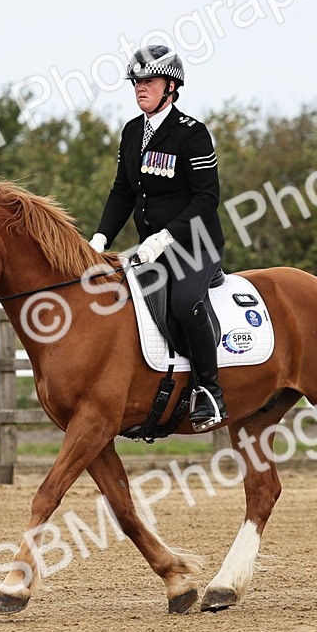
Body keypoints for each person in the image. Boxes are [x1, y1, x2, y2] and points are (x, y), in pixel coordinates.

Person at [88, 45, 227, 425]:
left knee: (185, 304)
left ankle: (211, 392)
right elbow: (122, 192)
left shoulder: (192, 134)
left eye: (148, 81)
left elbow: (207, 197)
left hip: (195, 246)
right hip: (149, 250)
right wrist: (100, 238)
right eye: (136, 82)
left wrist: (166, 236)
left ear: (171, 87)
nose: (140, 88)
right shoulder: (132, 132)